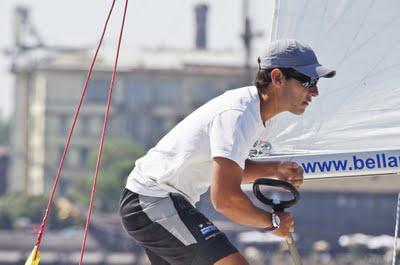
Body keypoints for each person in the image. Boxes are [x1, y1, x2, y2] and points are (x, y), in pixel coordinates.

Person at [119, 39, 336, 265]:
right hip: (152, 199)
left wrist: (275, 170)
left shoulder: (259, 115)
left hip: (158, 202)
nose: (315, 91)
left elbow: (229, 170)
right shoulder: (239, 114)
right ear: (277, 78)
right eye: (308, 81)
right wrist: (271, 222)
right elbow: (225, 199)